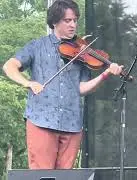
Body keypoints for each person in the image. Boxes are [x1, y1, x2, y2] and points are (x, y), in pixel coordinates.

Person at [2, 0, 123, 169]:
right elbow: (9, 66)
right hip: (41, 120)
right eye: (68, 21)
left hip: (72, 122)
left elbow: (82, 88)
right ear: (54, 22)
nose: (73, 25)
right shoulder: (37, 46)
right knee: (42, 175)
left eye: (75, 20)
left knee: (66, 177)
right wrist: (27, 82)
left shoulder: (81, 51)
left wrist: (105, 74)